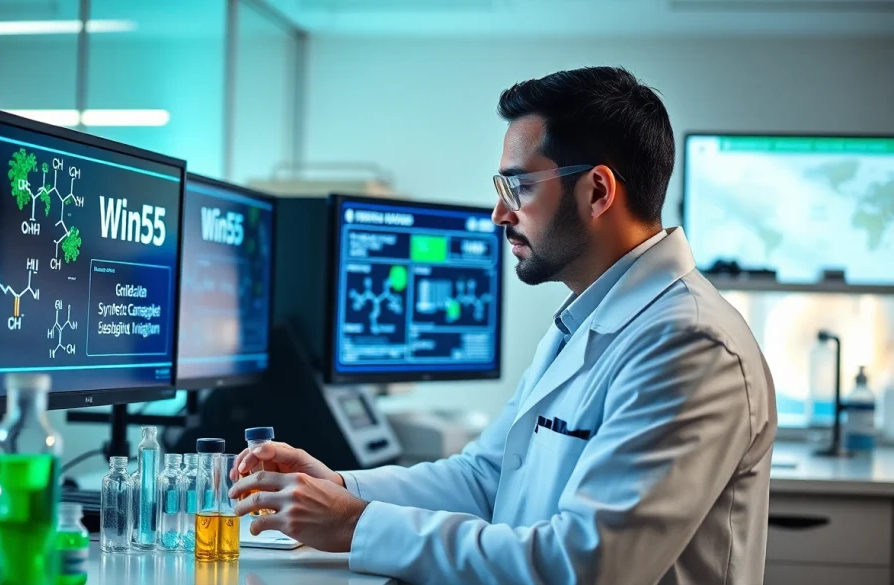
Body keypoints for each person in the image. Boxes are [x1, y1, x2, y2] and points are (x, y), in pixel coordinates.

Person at [228, 66, 777, 585]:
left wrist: (356, 524)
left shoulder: (690, 344)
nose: (499, 213)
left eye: (519, 187)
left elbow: (587, 566)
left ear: (598, 191)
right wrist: (337, 487)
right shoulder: (587, 319)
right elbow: (486, 478)